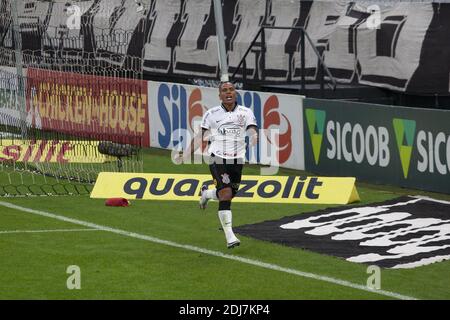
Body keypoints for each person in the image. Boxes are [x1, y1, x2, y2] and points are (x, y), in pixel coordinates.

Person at [177, 81, 258, 249]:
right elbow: (200, 137)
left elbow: (251, 128)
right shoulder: (212, 114)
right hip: (217, 158)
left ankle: (207, 194)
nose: (228, 93)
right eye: (224, 90)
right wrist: (185, 154)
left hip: (237, 160)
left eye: (231, 89)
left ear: (235, 93)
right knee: (226, 193)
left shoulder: (246, 112)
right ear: (219, 95)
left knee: (228, 194)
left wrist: (253, 136)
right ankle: (230, 236)